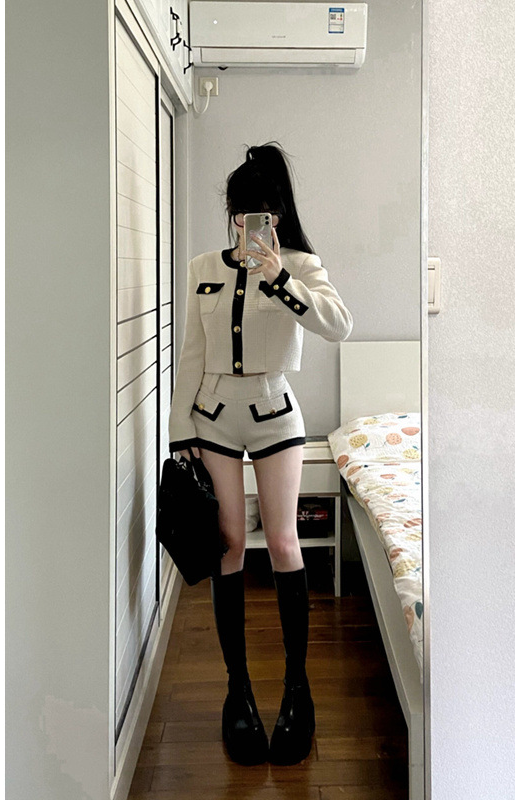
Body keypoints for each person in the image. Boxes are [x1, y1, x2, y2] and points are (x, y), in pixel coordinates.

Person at [167, 142, 353, 766]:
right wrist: (179, 429)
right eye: (242, 209)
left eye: (263, 210)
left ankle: (297, 691)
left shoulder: (300, 264)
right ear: (231, 212)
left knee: (281, 542)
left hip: (275, 413)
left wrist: (278, 276)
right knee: (227, 545)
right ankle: (238, 692)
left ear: (278, 214)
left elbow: (338, 325)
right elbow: (191, 352)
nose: (250, 220)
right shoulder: (201, 267)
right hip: (212, 415)